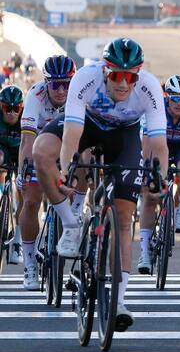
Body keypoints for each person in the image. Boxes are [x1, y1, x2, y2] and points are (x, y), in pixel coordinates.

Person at [33, 38, 168, 331]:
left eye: (130, 76)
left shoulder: (149, 88)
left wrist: (162, 179)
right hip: (88, 126)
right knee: (41, 151)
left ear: (138, 75)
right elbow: (71, 133)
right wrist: (66, 171)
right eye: (116, 75)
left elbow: (158, 143)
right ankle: (70, 224)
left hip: (124, 136)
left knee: (122, 218)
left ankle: (119, 301)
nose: (123, 83)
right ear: (105, 71)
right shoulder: (85, 79)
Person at [18, 55, 78, 290]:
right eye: (55, 84)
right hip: (38, 145)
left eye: (67, 83)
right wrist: (25, 168)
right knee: (31, 201)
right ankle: (30, 264)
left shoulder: (77, 96)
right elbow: (26, 139)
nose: (61, 90)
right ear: (46, 83)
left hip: (64, 145)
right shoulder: (36, 95)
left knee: (73, 188)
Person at [138, 74, 180, 274]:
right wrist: (146, 169)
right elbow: (146, 144)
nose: (179, 103)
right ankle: (144, 251)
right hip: (159, 144)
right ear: (166, 96)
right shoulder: (155, 107)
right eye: (174, 98)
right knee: (150, 195)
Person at [0, 86, 24, 266]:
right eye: (7, 108)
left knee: (24, 189)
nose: (11, 112)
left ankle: (17, 241)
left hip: (20, 152)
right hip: (3, 150)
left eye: (16, 108)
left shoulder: (26, 117)